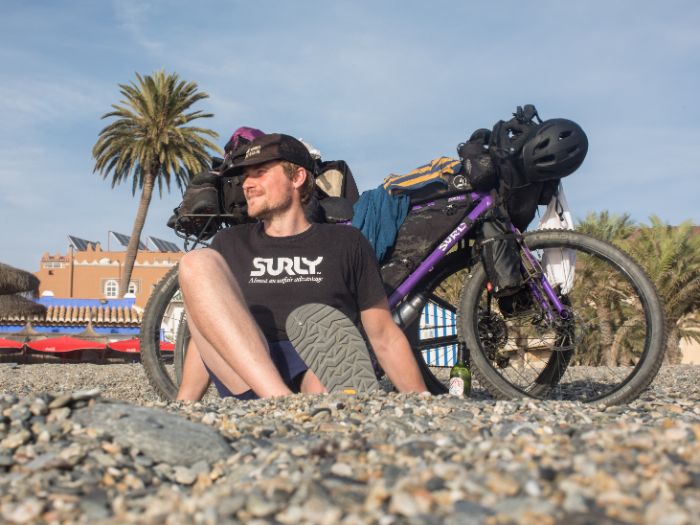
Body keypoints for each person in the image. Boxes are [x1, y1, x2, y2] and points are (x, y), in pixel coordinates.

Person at [175, 133, 427, 401]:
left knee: (328, 353)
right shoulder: (230, 243)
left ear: (297, 178)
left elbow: (384, 334)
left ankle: (314, 404)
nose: (247, 184)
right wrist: (184, 403)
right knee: (196, 262)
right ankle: (279, 400)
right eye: (245, 176)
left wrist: (424, 405)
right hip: (246, 369)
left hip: (317, 363)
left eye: (260, 172)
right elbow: (209, 328)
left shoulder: (346, 242)